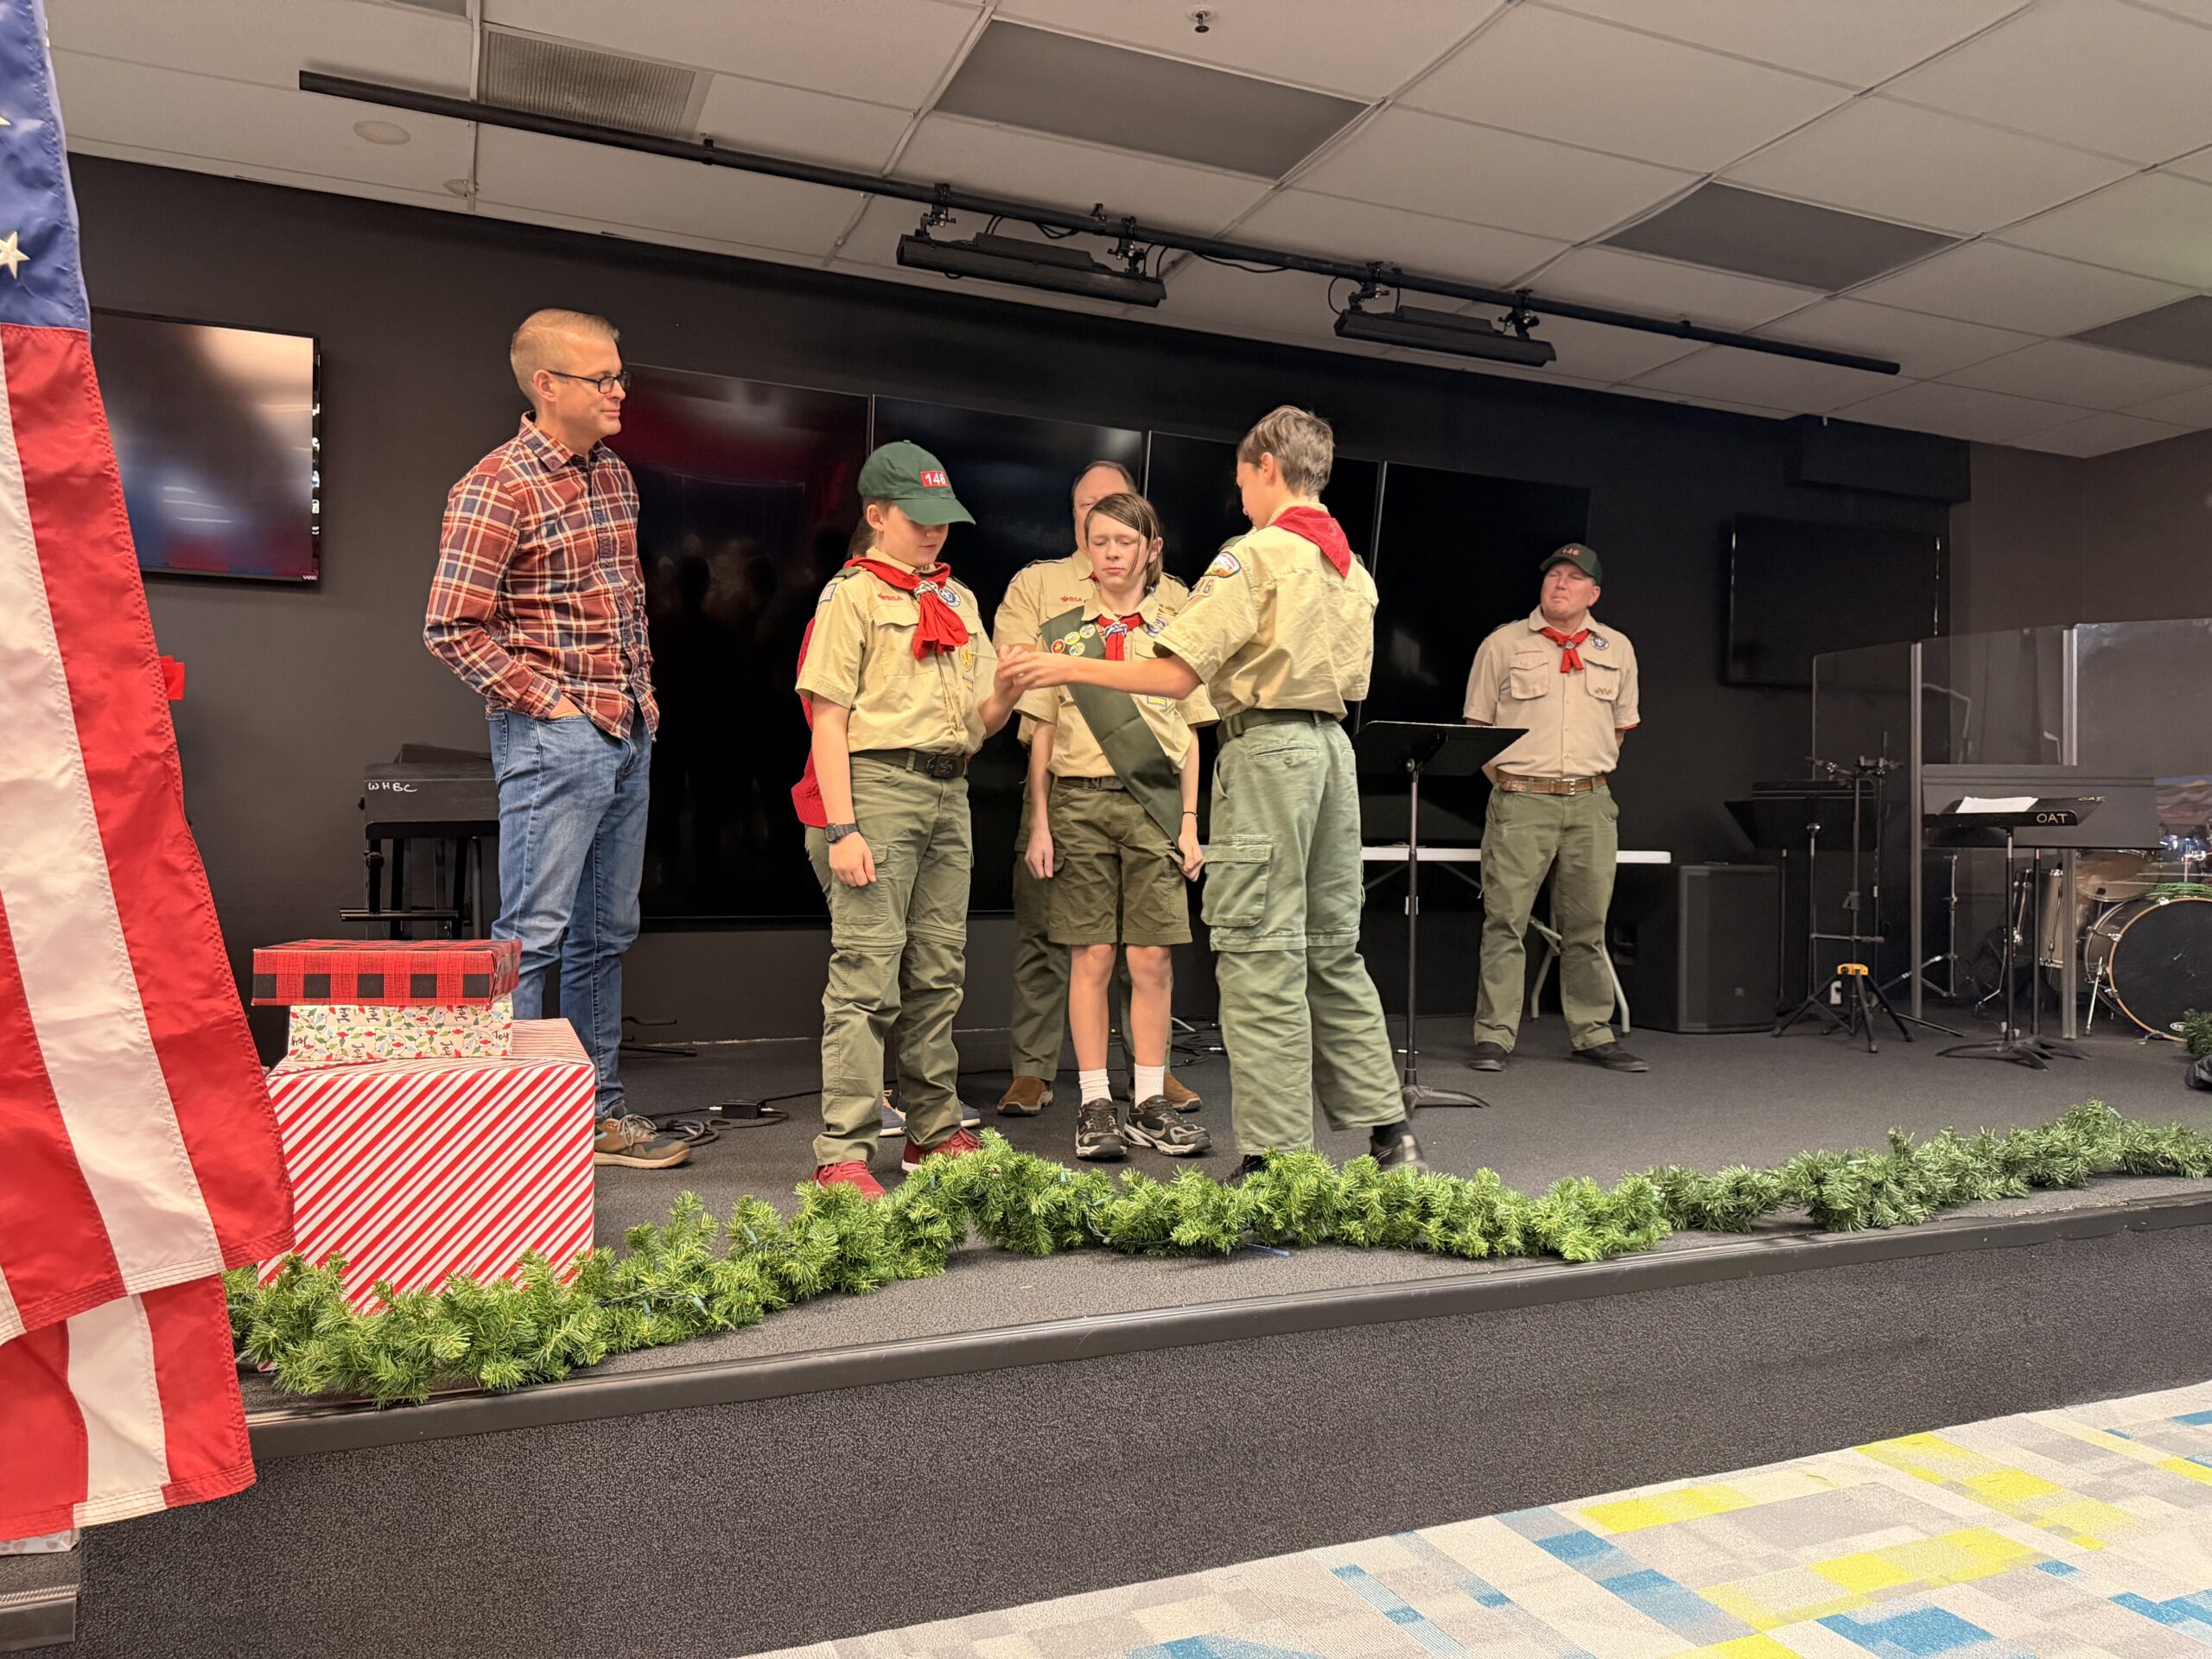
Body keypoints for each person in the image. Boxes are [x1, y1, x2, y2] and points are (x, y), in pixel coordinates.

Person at [1002, 406, 1422, 1177]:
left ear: (1267, 467)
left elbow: (1174, 676)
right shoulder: (1349, 567)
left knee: (1259, 949)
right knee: (1333, 948)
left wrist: (1065, 665)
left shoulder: (1254, 556)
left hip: (1269, 754)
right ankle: (1391, 1133)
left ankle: (1275, 1160)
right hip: (1334, 756)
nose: (1242, 496)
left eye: (1242, 480)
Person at [425, 308, 689, 1171]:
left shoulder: (615, 477)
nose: (619, 392)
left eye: (619, 376)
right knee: (530, 936)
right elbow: (450, 628)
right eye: (601, 378)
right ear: (547, 385)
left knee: (606, 934)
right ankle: (506, 1136)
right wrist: (553, 706)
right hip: (555, 737)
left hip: (627, 731)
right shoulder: (495, 486)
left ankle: (592, 1114)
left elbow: (624, 603)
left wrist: (639, 701)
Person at [794, 442, 1020, 1196]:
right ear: (877, 515)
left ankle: (932, 1130)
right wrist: (843, 827)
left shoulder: (958, 601)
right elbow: (828, 719)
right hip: (878, 790)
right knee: (866, 976)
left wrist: (1010, 689)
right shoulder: (851, 596)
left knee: (938, 971)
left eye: (942, 519)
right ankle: (844, 1152)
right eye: (918, 518)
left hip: (949, 791)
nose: (933, 532)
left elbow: (981, 719)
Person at [991, 461, 1202, 1119]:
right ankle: (1052, 1078)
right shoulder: (1045, 597)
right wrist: (1042, 818)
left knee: (1149, 950)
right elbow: (1027, 697)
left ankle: (1149, 1081)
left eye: (1122, 530)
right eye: (1094, 522)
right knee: (1066, 941)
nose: (1109, 544)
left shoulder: (1176, 609)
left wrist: (1190, 818)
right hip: (1071, 789)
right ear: (1079, 526)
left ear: (1149, 540)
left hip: (1151, 794)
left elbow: (1192, 718)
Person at [1462, 543, 1645, 1073]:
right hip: (1522, 801)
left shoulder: (1618, 648)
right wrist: (1515, 784)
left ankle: (1592, 1033)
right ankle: (1494, 1035)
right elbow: (1477, 729)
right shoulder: (1502, 644)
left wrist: (1584, 775)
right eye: (1553, 575)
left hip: (1590, 803)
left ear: (1594, 593)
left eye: (1574, 578)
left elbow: (1619, 728)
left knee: (1588, 924)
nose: (1560, 584)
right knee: (1506, 921)